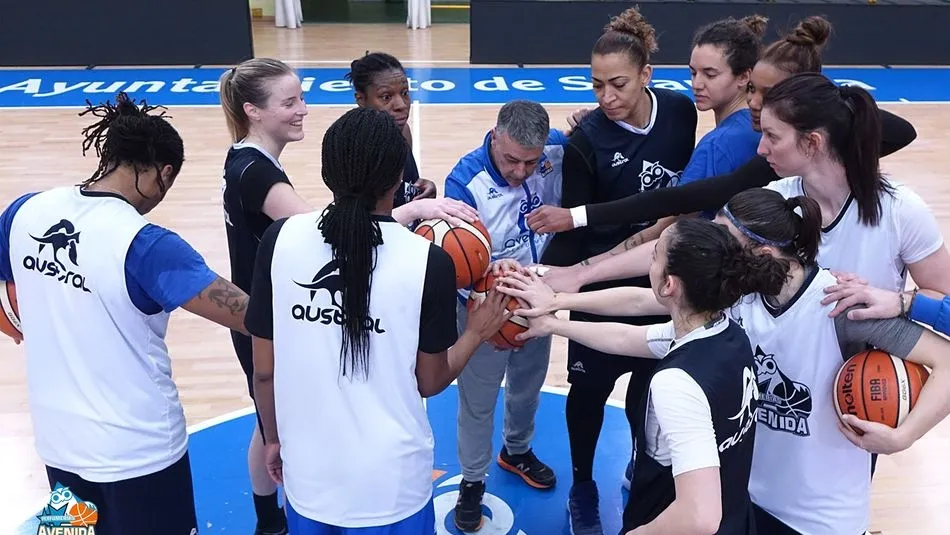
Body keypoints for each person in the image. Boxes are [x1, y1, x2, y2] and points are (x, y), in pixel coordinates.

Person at [504, 187, 950, 534]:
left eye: (723, 239)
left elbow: (945, 360)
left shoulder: (839, 305)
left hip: (818, 519)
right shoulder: (736, 298)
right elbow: (643, 318)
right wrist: (557, 311)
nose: (711, 247)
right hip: (745, 498)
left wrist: (902, 437)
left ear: (761, 253)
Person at [219, 57, 481, 535]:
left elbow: (265, 373)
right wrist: (478, 331)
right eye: (291, 101)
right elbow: (430, 381)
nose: (302, 108)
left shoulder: (279, 240)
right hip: (393, 486)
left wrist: (273, 438)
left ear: (327, 172)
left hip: (309, 478)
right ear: (395, 180)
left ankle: (268, 519)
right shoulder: (428, 263)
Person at [0, 92, 251, 535]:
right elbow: (252, 317)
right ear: (164, 173)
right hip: (140, 454)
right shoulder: (147, 245)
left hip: (58, 445)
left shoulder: (24, 212)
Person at [526, 15, 918, 238]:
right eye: (692, 72)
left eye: (710, 74)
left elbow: (676, 212)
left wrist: (586, 247)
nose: (696, 84)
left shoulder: (730, 144)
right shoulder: (767, 143)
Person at [536, 7, 697, 533]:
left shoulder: (681, 112)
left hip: (661, 282)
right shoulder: (586, 141)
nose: (606, 97)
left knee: (649, 389)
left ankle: (640, 463)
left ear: (647, 74)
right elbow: (577, 228)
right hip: (602, 282)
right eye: (597, 85)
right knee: (587, 392)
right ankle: (582, 484)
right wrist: (555, 277)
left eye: (619, 84)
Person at [504, 217, 770, 534]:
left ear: (669, 285)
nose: (649, 263)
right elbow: (625, 338)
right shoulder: (729, 332)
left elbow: (699, 516)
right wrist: (553, 322)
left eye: (654, 256)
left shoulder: (676, 382)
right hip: (738, 519)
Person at [443, 99, 567, 532]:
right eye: (511, 159)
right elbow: (453, 260)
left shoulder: (557, 149)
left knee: (527, 388)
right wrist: (489, 284)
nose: (520, 171)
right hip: (484, 308)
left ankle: (516, 451)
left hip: (536, 299)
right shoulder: (464, 182)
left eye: (530, 162)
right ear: (495, 136)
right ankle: (472, 481)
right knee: (478, 402)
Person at [346, 52, 437, 211]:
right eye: (386, 97)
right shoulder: (354, 150)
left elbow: (402, 188)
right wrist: (415, 209)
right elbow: (357, 221)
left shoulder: (403, 132)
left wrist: (422, 189)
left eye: (404, 93)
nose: (401, 105)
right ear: (361, 100)